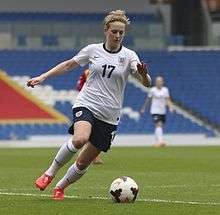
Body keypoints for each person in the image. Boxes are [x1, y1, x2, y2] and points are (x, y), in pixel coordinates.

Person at [27, 9, 151, 201]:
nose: (118, 36)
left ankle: (60, 188)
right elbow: (68, 65)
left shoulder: (129, 55)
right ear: (106, 30)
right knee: (79, 139)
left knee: (83, 162)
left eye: (121, 33)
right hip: (87, 103)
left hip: (110, 115)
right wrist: (42, 77)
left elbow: (146, 82)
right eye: (114, 31)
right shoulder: (92, 50)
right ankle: (49, 173)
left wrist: (143, 74)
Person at [76, 69, 103, 164]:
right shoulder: (90, 72)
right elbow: (89, 85)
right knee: (89, 132)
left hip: (94, 102)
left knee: (95, 132)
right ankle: (85, 156)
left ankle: (93, 156)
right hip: (89, 103)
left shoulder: (94, 71)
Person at [140, 76, 173, 147]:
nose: (159, 82)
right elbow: (148, 100)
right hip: (155, 110)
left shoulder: (165, 90)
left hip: (162, 111)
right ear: (156, 82)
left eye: (160, 81)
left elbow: (168, 99)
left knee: (159, 126)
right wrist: (143, 108)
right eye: (158, 81)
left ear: (162, 82)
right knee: (159, 124)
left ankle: (157, 142)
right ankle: (161, 141)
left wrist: (170, 107)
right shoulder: (153, 90)